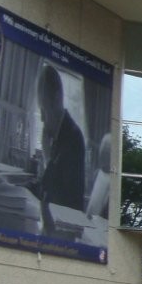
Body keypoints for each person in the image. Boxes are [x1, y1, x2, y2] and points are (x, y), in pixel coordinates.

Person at [34, 62, 87, 235]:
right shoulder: (57, 134)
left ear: (57, 98)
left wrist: (47, 156)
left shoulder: (72, 137)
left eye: (44, 110)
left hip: (64, 231)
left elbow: (62, 195)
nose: (42, 119)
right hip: (52, 225)